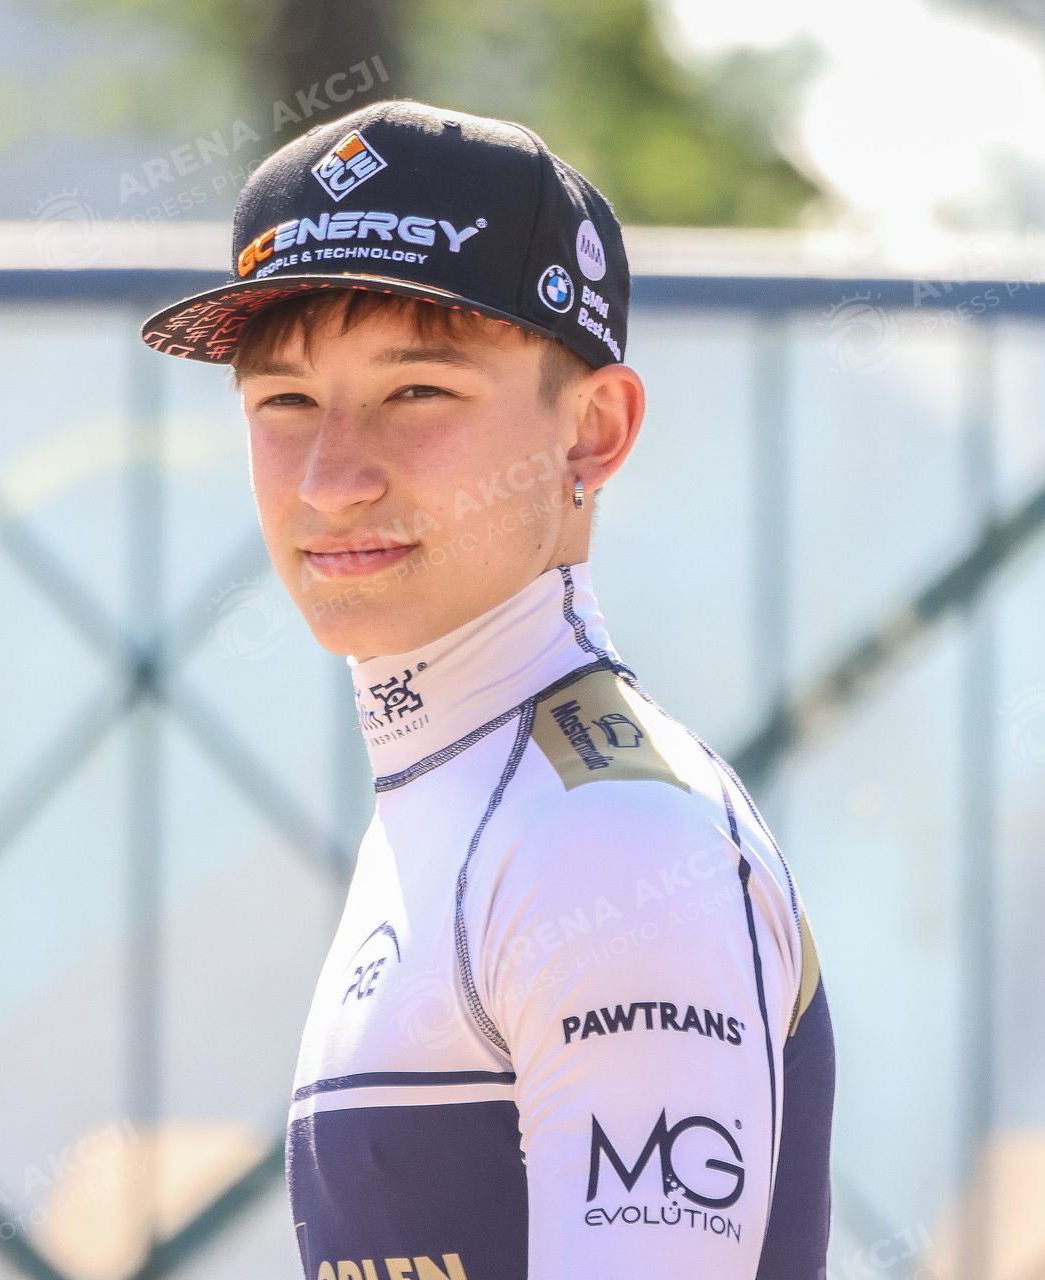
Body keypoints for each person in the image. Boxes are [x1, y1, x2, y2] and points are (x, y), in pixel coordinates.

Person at [140, 98, 834, 1280]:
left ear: (594, 431)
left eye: (418, 392)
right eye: (284, 403)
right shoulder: (470, 796)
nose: (331, 480)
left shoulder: (608, 837)